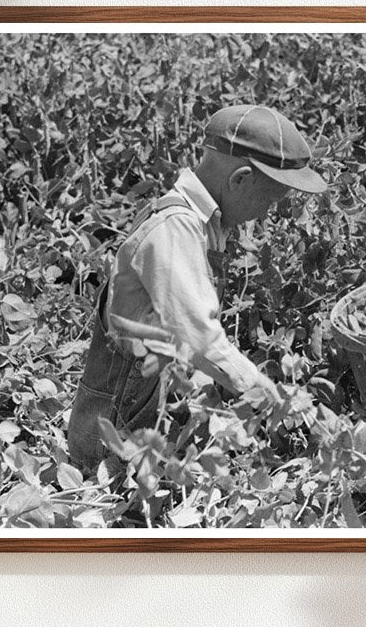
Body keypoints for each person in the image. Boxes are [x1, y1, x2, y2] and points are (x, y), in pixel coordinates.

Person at [67, 104, 328, 474]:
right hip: (110, 443)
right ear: (238, 180)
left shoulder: (205, 222)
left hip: (141, 419)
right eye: (269, 200)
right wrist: (273, 397)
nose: (267, 213)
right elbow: (201, 340)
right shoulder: (176, 230)